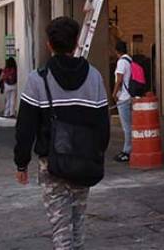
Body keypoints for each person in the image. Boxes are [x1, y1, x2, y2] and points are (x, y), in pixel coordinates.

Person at [14, 17, 110, 249]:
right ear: (76, 43)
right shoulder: (94, 76)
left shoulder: (38, 79)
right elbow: (103, 124)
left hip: (52, 162)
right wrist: (97, 153)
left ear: (49, 44)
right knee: (78, 221)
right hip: (84, 159)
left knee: (60, 226)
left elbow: (25, 126)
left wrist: (21, 163)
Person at [112, 40, 132, 163]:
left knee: (126, 126)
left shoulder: (121, 62)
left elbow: (119, 79)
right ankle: (130, 148)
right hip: (131, 96)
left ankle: (127, 151)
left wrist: (114, 94)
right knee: (131, 125)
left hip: (123, 97)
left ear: (116, 51)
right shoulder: (130, 61)